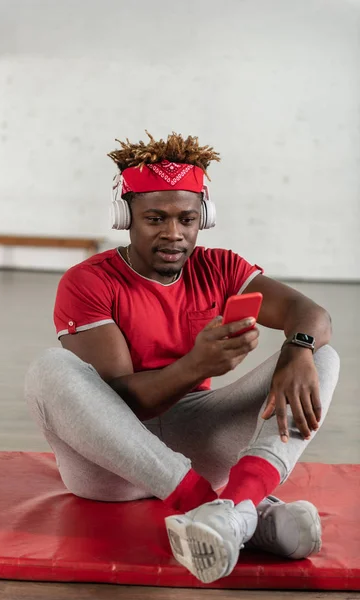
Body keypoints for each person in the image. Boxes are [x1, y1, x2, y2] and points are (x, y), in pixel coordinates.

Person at [25, 132, 340, 584]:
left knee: (322, 357)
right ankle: (227, 510)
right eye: (155, 218)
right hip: (109, 465)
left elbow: (310, 314)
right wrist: (198, 365)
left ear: (202, 219)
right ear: (125, 217)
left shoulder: (220, 267)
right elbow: (121, 407)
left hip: (196, 443)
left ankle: (234, 513)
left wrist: (299, 348)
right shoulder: (88, 281)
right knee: (48, 369)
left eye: (187, 219)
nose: (173, 234)